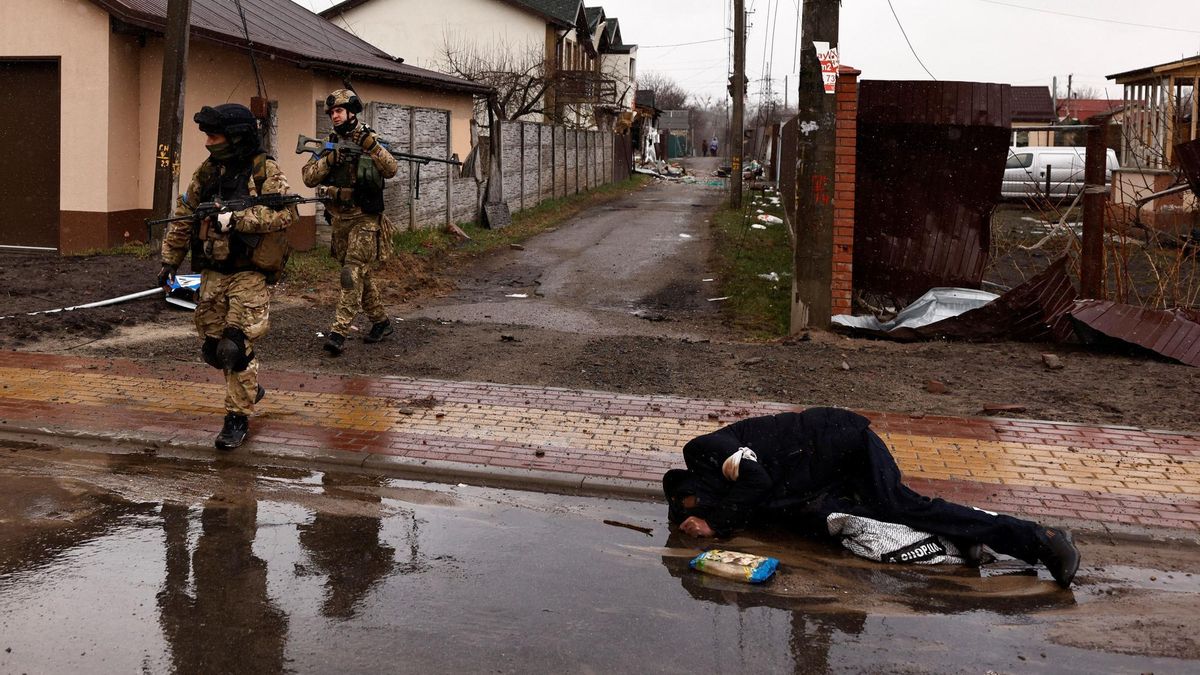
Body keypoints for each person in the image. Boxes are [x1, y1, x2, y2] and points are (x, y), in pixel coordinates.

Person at [662, 407, 1082, 588]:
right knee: (839, 516)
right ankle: (961, 538)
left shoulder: (705, 450)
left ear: (691, 486)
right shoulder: (719, 484)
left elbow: (757, 480)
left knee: (899, 505)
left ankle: (1040, 539)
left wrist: (715, 524)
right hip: (823, 470)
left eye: (694, 507)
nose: (698, 513)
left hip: (843, 444)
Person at [158, 103, 296, 450]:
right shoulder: (207, 173)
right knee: (213, 348)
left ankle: (237, 417)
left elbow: (286, 213)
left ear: (236, 137)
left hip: (249, 272)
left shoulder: (263, 169)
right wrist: (169, 261)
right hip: (213, 271)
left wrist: (237, 220)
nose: (208, 142)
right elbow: (183, 216)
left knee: (235, 346)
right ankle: (249, 389)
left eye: (214, 135)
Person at [302, 88, 399, 356]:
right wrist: (330, 159)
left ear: (352, 112)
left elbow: (391, 169)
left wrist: (371, 147)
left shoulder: (371, 139)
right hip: (340, 219)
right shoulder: (328, 143)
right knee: (361, 274)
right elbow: (308, 177)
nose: (335, 116)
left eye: (339, 111)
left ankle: (338, 333)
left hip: (365, 218)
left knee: (351, 272)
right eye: (332, 112)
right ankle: (381, 322)